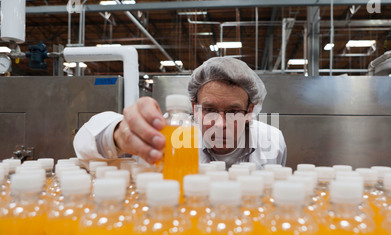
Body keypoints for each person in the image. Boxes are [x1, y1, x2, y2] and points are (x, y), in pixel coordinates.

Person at [73, 57, 287, 170]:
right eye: (210, 110)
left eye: (234, 111)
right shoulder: (175, 136)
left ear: (250, 111)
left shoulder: (271, 142)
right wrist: (119, 134)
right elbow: (85, 141)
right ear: (194, 108)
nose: (221, 124)